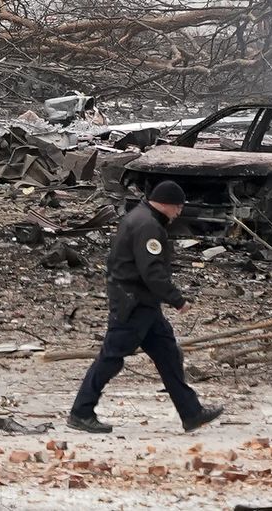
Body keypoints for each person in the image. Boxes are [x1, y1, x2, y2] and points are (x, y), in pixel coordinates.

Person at [68, 181, 223, 433]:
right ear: (167, 203)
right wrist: (176, 299)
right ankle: (81, 412)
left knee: (169, 355)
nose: (179, 213)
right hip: (134, 305)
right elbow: (151, 270)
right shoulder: (148, 226)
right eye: (178, 207)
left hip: (143, 304)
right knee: (111, 358)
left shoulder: (140, 217)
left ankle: (191, 412)